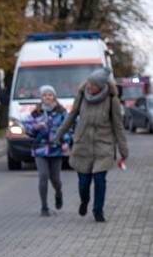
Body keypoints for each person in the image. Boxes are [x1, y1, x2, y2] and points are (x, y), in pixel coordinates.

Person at [55, 67, 129, 222]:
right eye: (89, 82)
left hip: (103, 145)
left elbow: (118, 125)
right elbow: (71, 116)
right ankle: (84, 201)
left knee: (99, 179)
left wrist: (123, 149)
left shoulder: (111, 100)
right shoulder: (82, 96)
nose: (89, 86)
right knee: (83, 183)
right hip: (83, 144)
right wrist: (59, 134)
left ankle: (98, 210)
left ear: (101, 86)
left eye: (93, 84)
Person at [23, 85, 72, 216]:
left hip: (56, 149)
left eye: (50, 95)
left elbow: (68, 127)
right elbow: (27, 128)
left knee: (55, 179)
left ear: (54, 96)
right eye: (45, 95)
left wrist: (66, 142)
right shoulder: (36, 113)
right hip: (40, 149)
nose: (47, 97)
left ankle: (58, 192)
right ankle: (44, 207)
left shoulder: (61, 112)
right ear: (41, 98)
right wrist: (35, 127)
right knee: (43, 176)